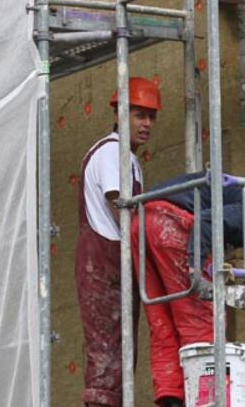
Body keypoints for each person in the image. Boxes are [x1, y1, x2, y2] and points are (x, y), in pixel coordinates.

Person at [130, 172, 245, 407]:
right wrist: (195, 271)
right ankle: (208, 401)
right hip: (170, 223)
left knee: (163, 321)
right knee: (202, 321)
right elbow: (205, 221)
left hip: (142, 223)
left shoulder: (237, 203)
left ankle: (171, 398)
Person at [75, 77, 161, 407]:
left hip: (115, 265)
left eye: (151, 116)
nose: (147, 124)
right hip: (103, 264)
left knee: (120, 353)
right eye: (139, 115)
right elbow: (121, 207)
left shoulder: (128, 157)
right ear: (120, 114)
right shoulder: (112, 152)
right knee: (106, 355)